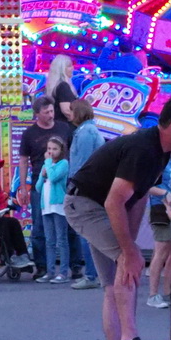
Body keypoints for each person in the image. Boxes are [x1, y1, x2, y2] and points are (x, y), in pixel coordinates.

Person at [64, 98, 171, 340]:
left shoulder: (158, 151)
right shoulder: (145, 149)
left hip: (93, 204)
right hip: (86, 205)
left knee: (112, 284)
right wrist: (129, 249)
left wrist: (132, 242)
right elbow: (114, 201)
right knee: (127, 262)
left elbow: (138, 196)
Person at [19, 96, 74, 279]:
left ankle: (73, 266)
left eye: (52, 111)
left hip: (63, 180)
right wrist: (24, 186)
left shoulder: (63, 128)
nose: (50, 115)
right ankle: (43, 267)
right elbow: (23, 160)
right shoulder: (29, 134)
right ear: (37, 114)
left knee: (67, 227)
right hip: (40, 180)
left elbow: (72, 153)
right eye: (46, 112)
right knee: (39, 228)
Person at [66, 96, 104, 290]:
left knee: (86, 232)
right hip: (92, 188)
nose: (69, 114)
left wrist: (74, 186)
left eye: (72, 110)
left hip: (84, 189)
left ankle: (91, 274)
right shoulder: (90, 130)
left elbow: (83, 164)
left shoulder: (85, 133)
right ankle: (95, 273)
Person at [37, 134, 73, 284]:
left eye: (55, 149)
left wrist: (47, 163)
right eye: (49, 149)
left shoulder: (63, 164)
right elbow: (38, 187)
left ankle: (63, 272)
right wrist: (42, 174)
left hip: (58, 206)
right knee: (49, 240)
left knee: (61, 239)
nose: (51, 152)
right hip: (46, 207)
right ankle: (50, 271)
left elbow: (53, 178)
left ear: (61, 150)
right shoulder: (47, 165)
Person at [144, 158, 171, 309]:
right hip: (160, 209)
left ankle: (167, 292)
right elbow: (146, 185)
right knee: (161, 251)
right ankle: (152, 295)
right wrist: (166, 200)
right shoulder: (159, 160)